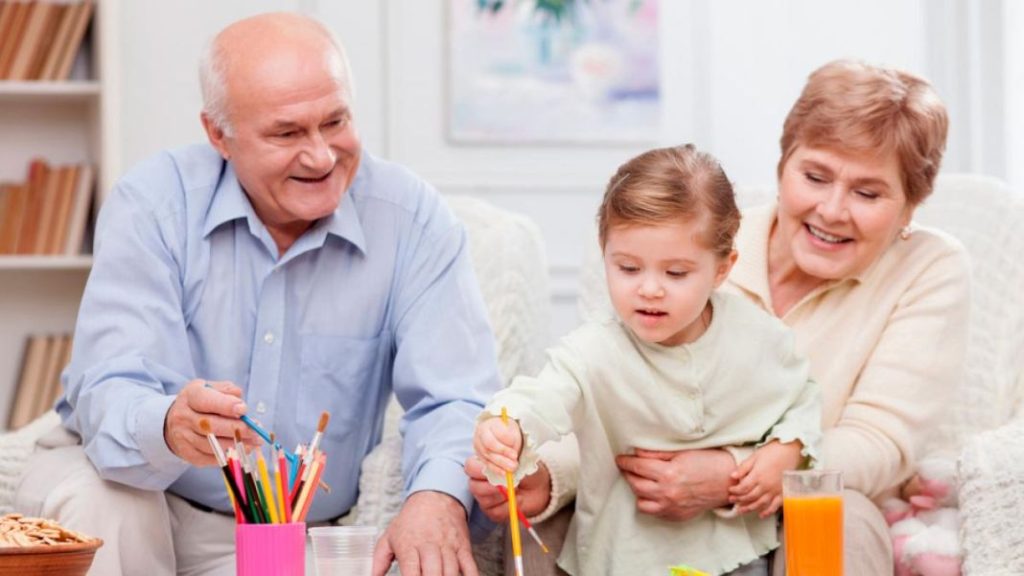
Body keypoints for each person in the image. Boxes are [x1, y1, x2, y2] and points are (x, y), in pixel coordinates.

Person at [14, 12, 499, 576]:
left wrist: (437, 497)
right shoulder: (153, 204)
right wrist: (169, 422)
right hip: (139, 492)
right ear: (218, 135)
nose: (321, 156)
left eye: (335, 122)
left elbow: (457, 396)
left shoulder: (412, 218)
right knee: (112, 506)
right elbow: (110, 386)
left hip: (289, 533)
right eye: (287, 133)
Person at [467, 59, 969, 575]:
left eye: (867, 193)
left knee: (840, 516)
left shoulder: (929, 268)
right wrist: (548, 474)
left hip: (809, 490)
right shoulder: (684, 246)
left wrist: (735, 473)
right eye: (815, 176)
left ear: (910, 207)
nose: (832, 209)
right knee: (554, 517)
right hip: (647, 502)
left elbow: (878, 440)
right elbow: (606, 395)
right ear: (782, 167)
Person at [473, 144, 821, 576]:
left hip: (735, 554)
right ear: (605, 255)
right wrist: (508, 427)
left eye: (676, 273)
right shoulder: (592, 349)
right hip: (626, 556)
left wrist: (786, 450)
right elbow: (542, 395)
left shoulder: (760, 338)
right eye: (628, 268)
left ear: (722, 269)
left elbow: (802, 400)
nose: (649, 289)